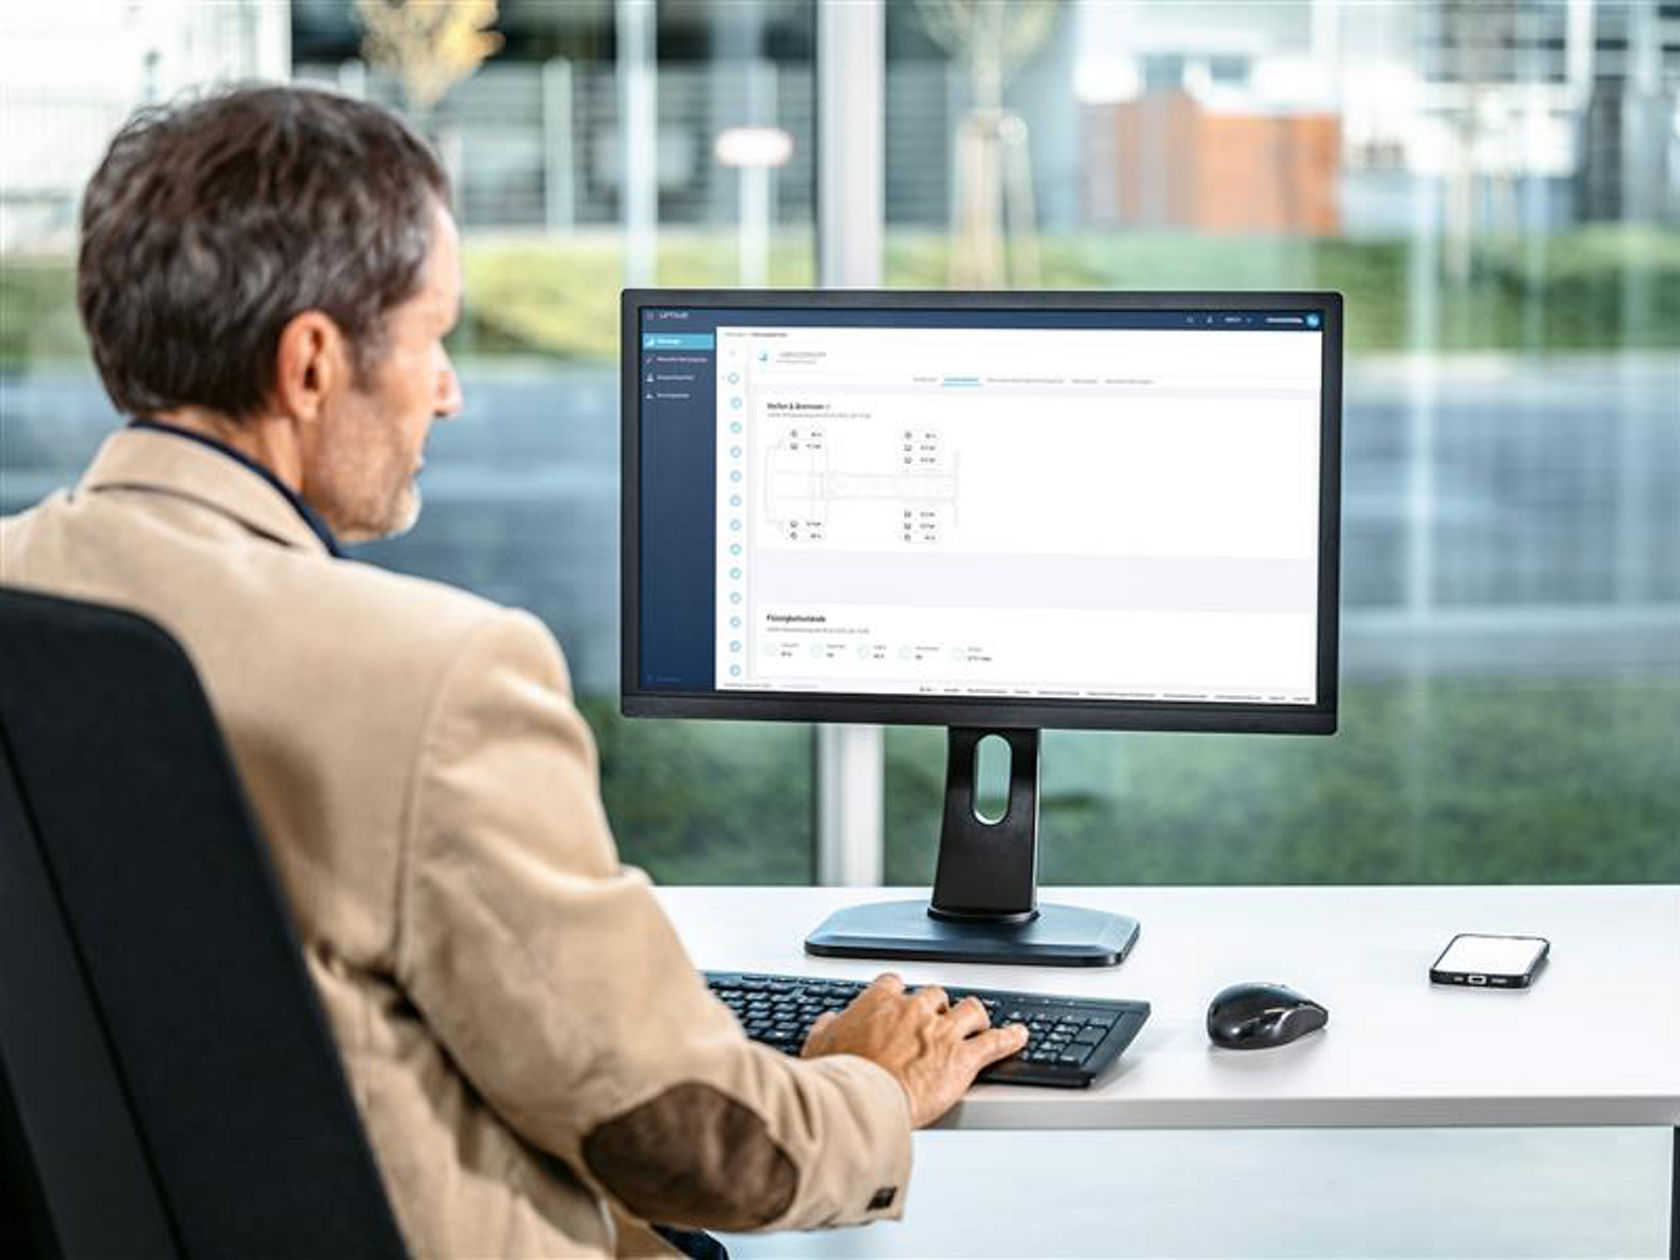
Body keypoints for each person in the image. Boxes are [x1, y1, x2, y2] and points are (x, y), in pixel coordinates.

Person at [0, 85, 1027, 1257]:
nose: (450, 389)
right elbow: (689, 1137)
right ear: (312, 365)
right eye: (433, 337)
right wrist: (873, 1091)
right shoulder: (437, 679)